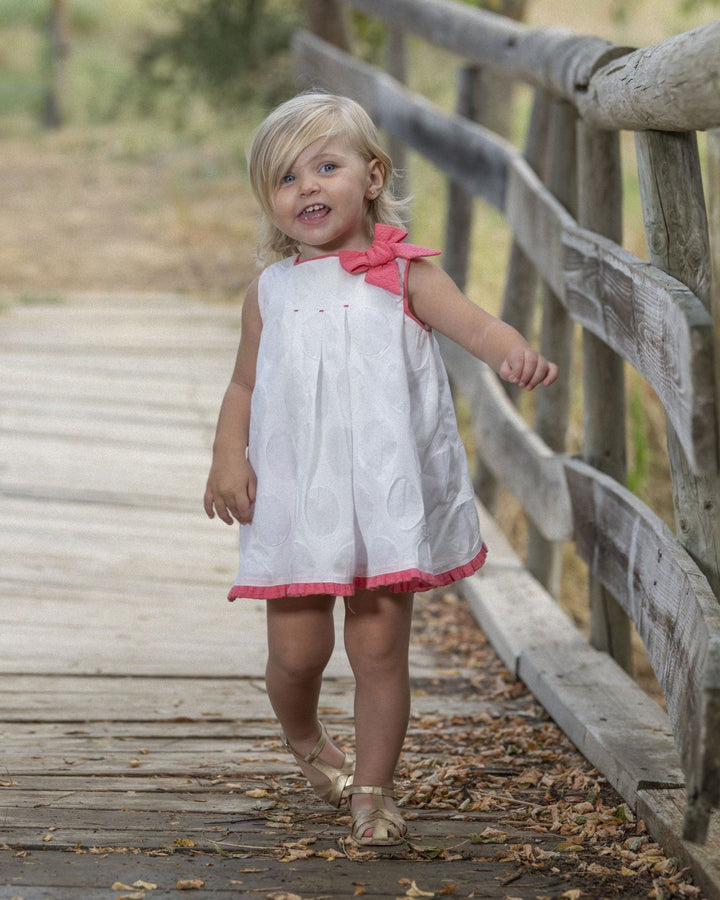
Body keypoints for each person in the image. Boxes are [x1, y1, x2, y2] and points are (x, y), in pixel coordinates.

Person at [204, 91, 558, 847]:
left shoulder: (404, 275)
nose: (307, 188)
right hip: (298, 494)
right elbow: (243, 383)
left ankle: (373, 790)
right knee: (297, 654)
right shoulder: (270, 292)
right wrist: (227, 454)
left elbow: (475, 326)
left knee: (377, 648)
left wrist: (510, 352)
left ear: (371, 177)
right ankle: (304, 738)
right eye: (286, 178)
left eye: (325, 167)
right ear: (270, 203)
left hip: (382, 492)